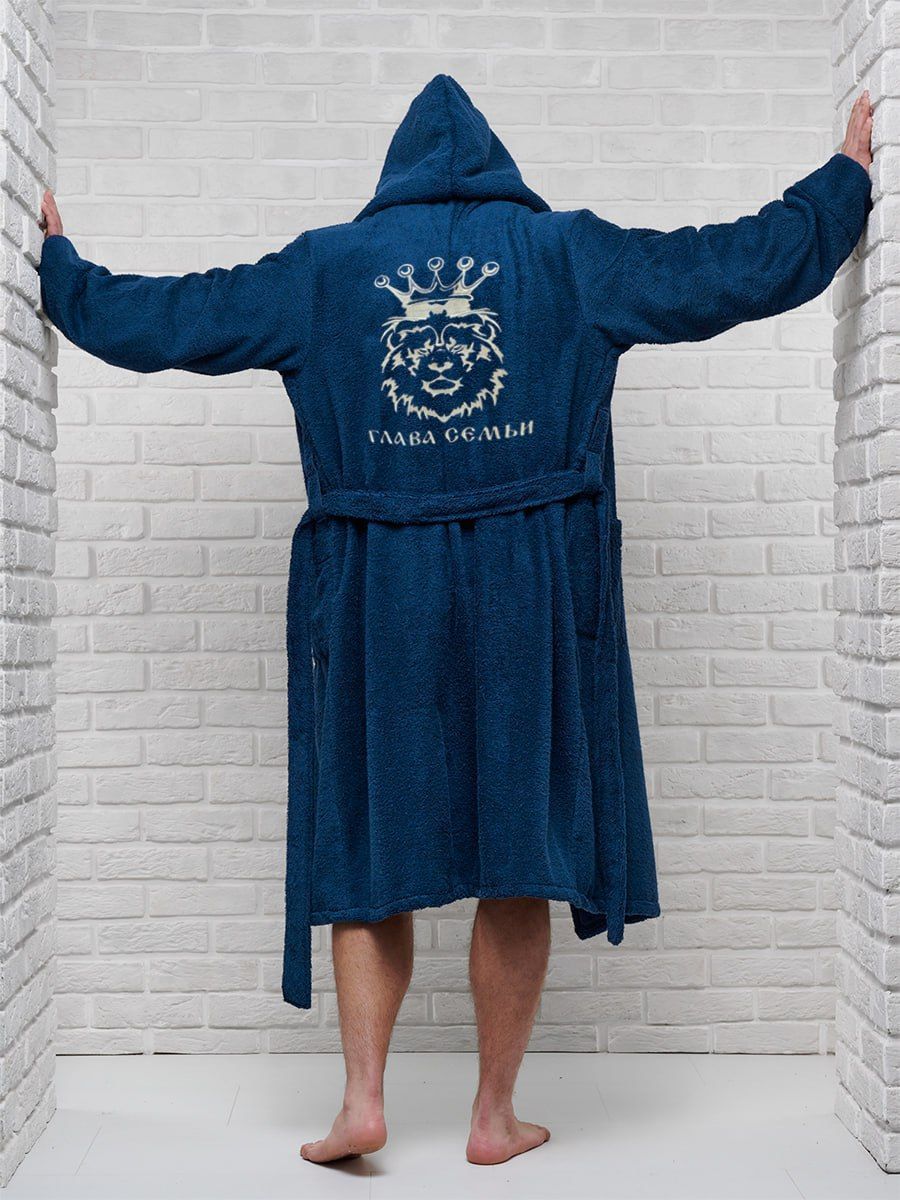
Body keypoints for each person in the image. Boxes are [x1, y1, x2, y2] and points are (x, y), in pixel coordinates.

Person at [39, 78, 873, 1167]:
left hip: (376, 585)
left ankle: (362, 1103)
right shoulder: (568, 254)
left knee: (367, 841)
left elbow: (172, 318)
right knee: (518, 852)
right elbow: (729, 267)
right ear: (498, 170)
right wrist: (841, 186)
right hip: (532, 586)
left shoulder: (325, 269)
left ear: (391, 179)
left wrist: (64, 273)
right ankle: (492, 1117)